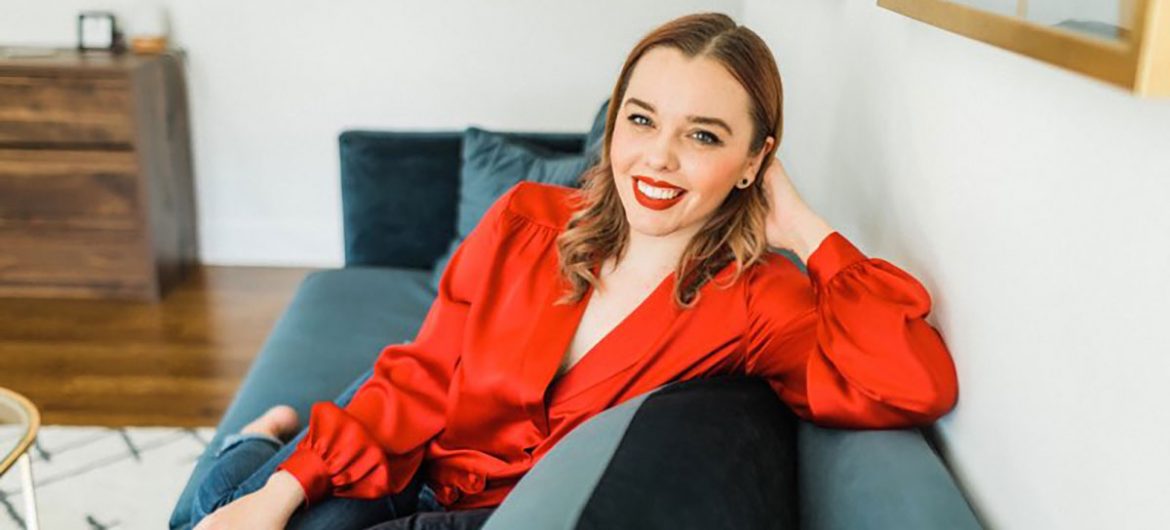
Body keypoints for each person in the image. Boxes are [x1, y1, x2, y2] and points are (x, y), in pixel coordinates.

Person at [190, 11, 960, 530]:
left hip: (498, 515)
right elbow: (420, 378)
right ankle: (260, 445)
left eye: (703, 135)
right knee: (239, 511)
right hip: (411, 461)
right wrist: (285, 490)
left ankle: (259, 440)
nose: (658, 157)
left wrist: (806, 230)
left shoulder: (758, 299)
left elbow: (913, 384)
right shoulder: (527, 219)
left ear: (756, 160)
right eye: (641, 119)